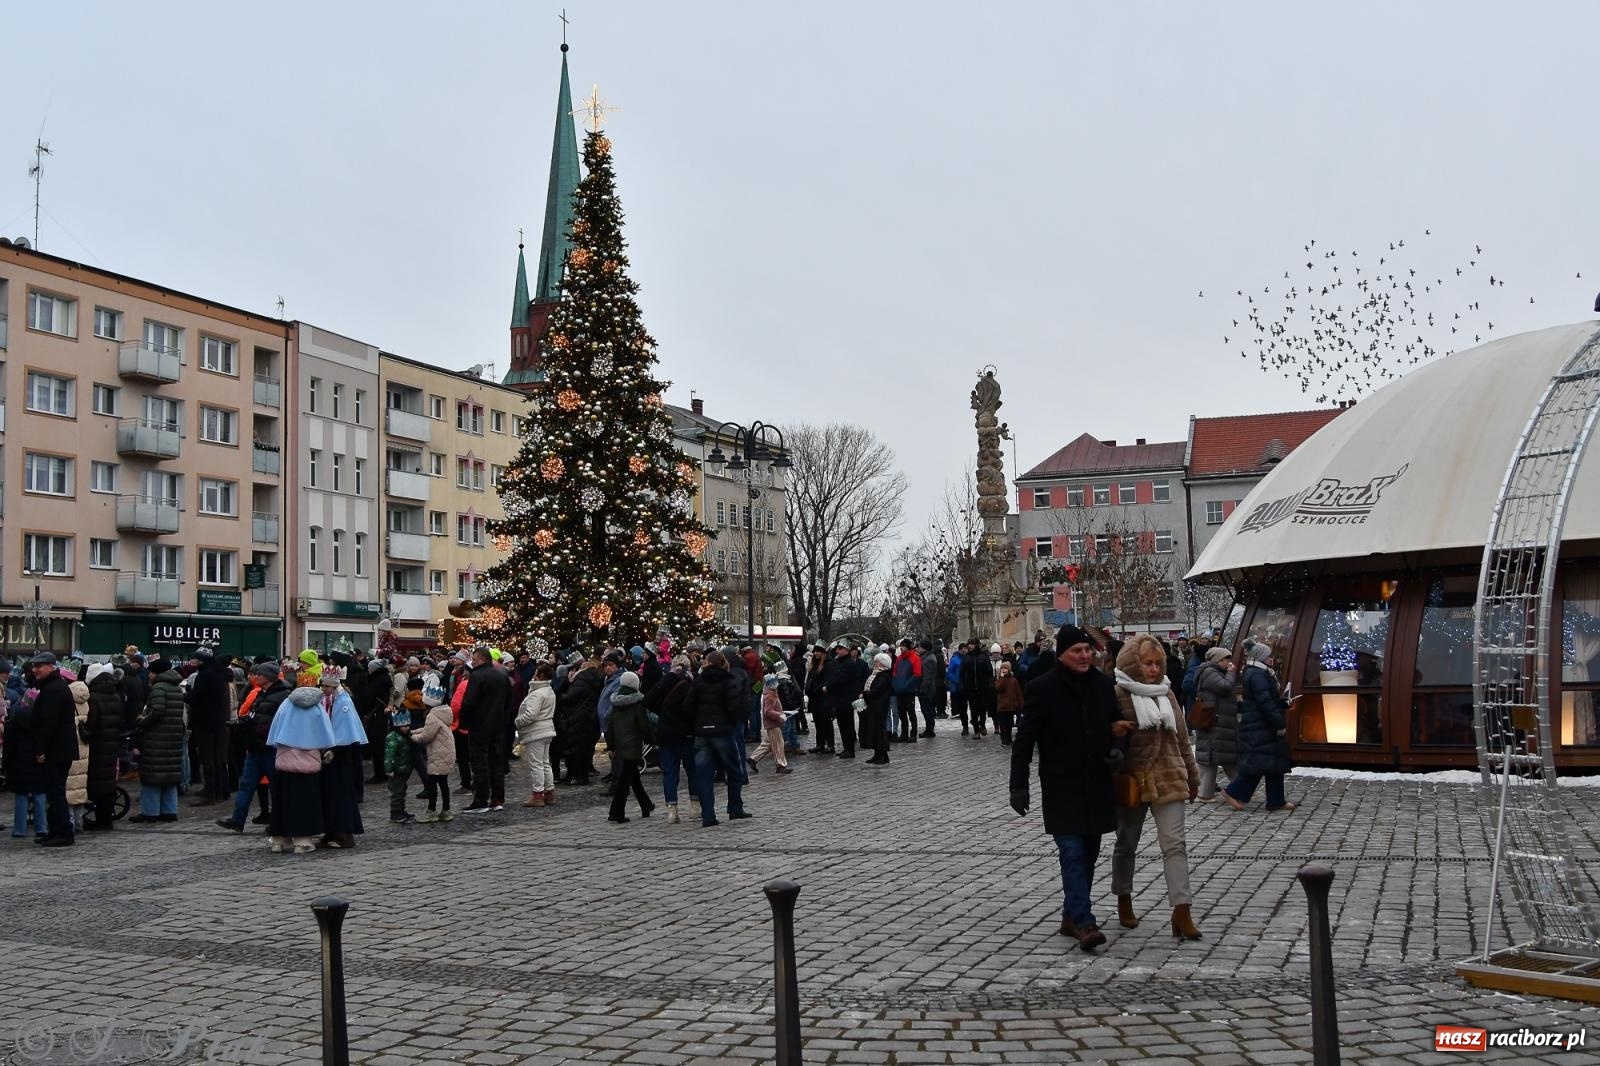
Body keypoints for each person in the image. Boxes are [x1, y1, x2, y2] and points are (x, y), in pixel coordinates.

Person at [1009, 626, 1135, 952]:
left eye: (1086, 650)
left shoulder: (1104, 685)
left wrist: (1119, 748)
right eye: (1076, 651)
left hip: (1096, 783)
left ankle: (1069, 915)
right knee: (1073, 853)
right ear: (1062, 654)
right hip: (1061, 784)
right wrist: (1018, 786)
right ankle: (1084, 921)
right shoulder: (1041, 688)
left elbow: (1118, 726)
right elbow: (1024, 741)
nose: (1084, 656)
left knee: (1089, 853)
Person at [1110, 636, 1203, 941]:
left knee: (1175, 845)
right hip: (1134, 780)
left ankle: (1182, 909)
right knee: (1127, 844)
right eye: (1146, 663)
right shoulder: (1119, 693)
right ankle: (1124, 897)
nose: (1152, 669)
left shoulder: (1168, 693)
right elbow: (1109, 739)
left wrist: (1192, 777)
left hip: (1170, 777)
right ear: (1132, 663)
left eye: (1156, 663)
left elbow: (1181, 741)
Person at [1221, 645, 1296, 813]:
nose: (1272, 658)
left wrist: (1282, 703)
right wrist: (1279, 722)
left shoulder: (1259, 673)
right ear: (1261, 657)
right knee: (1260, 764)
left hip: (1261, 724)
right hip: (1261, 726)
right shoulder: (1258, 675)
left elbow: (1267, 699)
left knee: (1273, 764)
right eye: (1269, 655)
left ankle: (1276, 800)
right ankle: (1233, 791)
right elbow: (1265, 703)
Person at [216, 662, 290, 832]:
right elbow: (253, 715)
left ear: (268, 677)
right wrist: (241, 724)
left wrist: (256, 726)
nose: (256, 676)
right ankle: (238, 819)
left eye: (260, 674)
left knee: (276, 788)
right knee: (246, 785)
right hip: (256, 747)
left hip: (271, 749)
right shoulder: (261, 694)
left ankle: (278, 822)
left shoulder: (282, 696)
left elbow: (275, 722)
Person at [266, 684, 337, 854]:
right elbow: (325, 732)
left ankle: (278, 840)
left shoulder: (286, 704)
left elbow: (276, 727)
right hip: (309, 759)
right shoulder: (317, 708)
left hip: (286, 758)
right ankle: (302, 841)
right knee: (306, 802)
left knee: (282, 800)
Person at [689, 650, 750, 827]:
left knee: (704, 774)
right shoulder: (727, 681)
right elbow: (733, 708)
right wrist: (730, 722)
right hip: (722, 731)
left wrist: (697, 723)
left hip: (702, 732)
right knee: (734, 771)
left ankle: (708, 815)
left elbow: (688, 706)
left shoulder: (698, 682)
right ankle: (735, 808)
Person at [27, 653, 79, 847]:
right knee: (53, 790)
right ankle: (57, 830)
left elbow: (48, 724)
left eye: (39, 666)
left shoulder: (53, 690)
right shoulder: (54, 686)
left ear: (51, 667)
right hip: (60, 748)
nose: (35, 670)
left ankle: (64, 832)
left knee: (55, 792)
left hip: (56, 750)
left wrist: (40, 750)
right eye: (34, 666)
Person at [131, 657, 185, 824]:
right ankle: (169, 811)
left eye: (151, 672)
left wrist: (141, 720)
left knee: (152, 774)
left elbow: (158, 711)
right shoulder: (176, 688)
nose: (149, 675)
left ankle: (150, 811)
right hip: (174, 735)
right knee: (169, 774)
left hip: (156, 737)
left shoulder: (158, 688)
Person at [318, 667, 367, 849]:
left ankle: (344, 834)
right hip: (328, 754)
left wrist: (336, 749)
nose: (323, 689)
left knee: (341, 796)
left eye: (326, 686)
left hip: (341, 756)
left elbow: (346, 730)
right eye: (322, 685)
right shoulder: (326, 700)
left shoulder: (343, 702)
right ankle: (330, 831)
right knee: (328, 795)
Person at [461, 646, 511, 813]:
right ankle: (497, 799)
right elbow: (508, 702)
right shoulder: (502, 675)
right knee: (496, 762)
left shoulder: (477, 675)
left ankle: (480, 800)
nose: (472, 662)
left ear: (482, 659)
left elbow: (469, 702)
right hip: (497, 725)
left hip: (479, 726)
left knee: (479, 763)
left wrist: (464, 722)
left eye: (474, 659)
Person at [649, 655, 696, 824]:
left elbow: (648, 700)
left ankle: (672, 810)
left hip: (666, 734)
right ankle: (695, 807)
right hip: (686, 734)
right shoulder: (691, 683)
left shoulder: (665, 684)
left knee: (670, 773)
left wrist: (662, 713)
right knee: (692, 771)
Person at [605, 672, 655, 823]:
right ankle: (616, 812)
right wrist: (650, 740)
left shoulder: (615, 703)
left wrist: (611, 746)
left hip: (620, 745)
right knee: (624, 781)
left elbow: (610, 726)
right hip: (633, 744)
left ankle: (646, 804)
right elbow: (643, 725)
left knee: (633, 776)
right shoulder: (637, 704)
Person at [187, 648, 233, 806]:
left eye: (196, 660)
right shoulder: (220, 675)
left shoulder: (205, 675)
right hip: (219, 720)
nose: (194, 662)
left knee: (207, 758)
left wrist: (187, 694)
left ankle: (210, 794)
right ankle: (218, 792)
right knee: (216, 757)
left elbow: (196, 697)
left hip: (205, 721)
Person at [1193, 647, 1239, 801]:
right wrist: (1232, 674)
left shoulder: (1216, 672)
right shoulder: (1209, 672)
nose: (1228, 662)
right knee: (1212, 758)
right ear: (1217, 660)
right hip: (1214, 722)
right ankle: (1205, 793)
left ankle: (1240, 789)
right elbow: (1225, 688)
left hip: (1220, 722)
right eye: (1226, 659)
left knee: (1224, 758)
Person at [83, 663, 124, 831]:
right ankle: (106, 818)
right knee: (107, 782)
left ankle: (101, 821)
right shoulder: (115, 695)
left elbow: (92, 724)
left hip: (98, 745)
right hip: (112, 743)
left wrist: (82, 729)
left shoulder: (93, 697)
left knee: (97, 783)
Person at [4, 678, 48, 839]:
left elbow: (9, 746)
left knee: (21, 797)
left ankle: (19, 829)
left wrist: (6, 764)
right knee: (40, 795)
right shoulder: (42, 719)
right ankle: (41, 827)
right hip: (38, 761)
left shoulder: (15, 719)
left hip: (19, 763)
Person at [514, 663, 558, 807]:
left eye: (536, 673)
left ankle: (537, 795)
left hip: (536, 732)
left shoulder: (537, 694)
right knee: (545, 762)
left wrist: (518, 722)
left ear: (540, 676)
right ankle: (549, 792)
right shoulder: (549, 690)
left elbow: (531, 715)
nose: (533, 675)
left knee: (536, 764)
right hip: (547, 730)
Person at [558, 657, 603, 786]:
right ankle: (580, 775)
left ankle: (578, 776)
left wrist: (566, 685)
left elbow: (567, 698)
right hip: (586, 718)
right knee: (583, 749)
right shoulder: (593, 681)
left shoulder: (581, 681)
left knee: (575, 749)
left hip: (576, 718)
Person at [824, 644, 868, 760]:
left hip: (846, 699)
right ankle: (846, 748)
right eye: (837, 649)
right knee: (842, 725)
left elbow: (840, 679)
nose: (837, 651)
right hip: (839, 699)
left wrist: (828, 687)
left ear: (847, 650)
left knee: (847, 725)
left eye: (840, 649)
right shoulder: (839, 662)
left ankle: (850, 749)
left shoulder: (849, 664)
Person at [748, 675, 793, 775]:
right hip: (773, 724)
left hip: (773, 723)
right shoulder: (770, 695)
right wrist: (779, 715)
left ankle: (753, 759)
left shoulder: (771, 693)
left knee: (768, 743)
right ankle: (780, 765)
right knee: (778, 744)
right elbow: (768, 712)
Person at [65, 677, 92, 833]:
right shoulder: (85, 702)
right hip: (84, 747)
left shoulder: (68, 703)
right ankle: (79, 823)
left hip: (70, 745)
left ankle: (70, 824)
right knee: (80, 787)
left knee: (68, 789)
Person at [861, 652, 894, 765]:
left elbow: (877, 690)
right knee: (874, 730)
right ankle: (877, 753)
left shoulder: (884, 676)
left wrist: (865, 694)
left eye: (877, 662)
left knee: (879, 731)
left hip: (879, 706)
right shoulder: (876, 674)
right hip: (873, 705)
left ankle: (883, 755)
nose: (875, 663)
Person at [891, 639, 922, 743]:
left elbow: (917, 673)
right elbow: (895, 673)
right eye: (901, 646)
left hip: (909, 690)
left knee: (911, 712)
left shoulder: (914, 658)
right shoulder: (899, 659)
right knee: (901, 713)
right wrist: (896, 684)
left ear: (908, 647)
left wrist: (907, 684)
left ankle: (913, 734)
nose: (901, 647)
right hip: (900, 690)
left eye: (904, 646)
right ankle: (904, 733)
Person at [805, 646, 834, 755]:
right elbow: (810, 679)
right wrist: (808, 689)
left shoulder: (828, 665)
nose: (816, 654)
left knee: (826, 722)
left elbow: (827, 681)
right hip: (815, 698)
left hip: (823, 698)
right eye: (815, 651)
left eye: (819, 651)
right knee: (818, 722)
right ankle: (820, 744)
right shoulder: (814, 664)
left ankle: (830, 745)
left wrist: (817, 690)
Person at [994, 660, 1023, 745]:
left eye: (1005, 668)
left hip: (1011, 706)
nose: (1003, 670)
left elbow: (1018, 693)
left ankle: (1009, 739)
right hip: (1002, 706)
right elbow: (999, 688)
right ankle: (1004, 740)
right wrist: (1002, 678)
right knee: (1003, 725)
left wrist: (1020, 704)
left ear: (1009, 669)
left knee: (1009, 723)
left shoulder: (1014, 680)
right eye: (1002, 668)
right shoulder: (999, 680)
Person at [917, 640, 941, 736]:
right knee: (926, 710)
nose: (918, 649)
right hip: (926, 688)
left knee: (928, 710)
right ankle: (929, 729)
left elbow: (927, 677)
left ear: (925, 648)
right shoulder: (926, 657)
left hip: (927, 690)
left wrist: (922, 689)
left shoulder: (929, 659)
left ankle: (930, 730)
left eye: (920, 647)